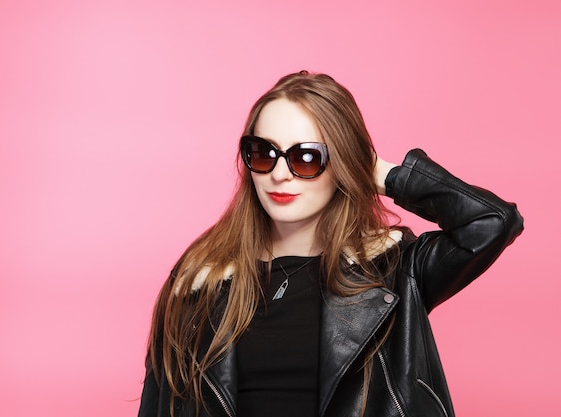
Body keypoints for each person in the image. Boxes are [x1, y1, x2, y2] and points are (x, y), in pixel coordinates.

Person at [137, 71, 523, 417]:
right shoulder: (199, 279)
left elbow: (493, 222)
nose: (280, 174)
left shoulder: (393, 271)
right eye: (263, 153)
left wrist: (384, 174)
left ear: (341, 162)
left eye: (306, 158)